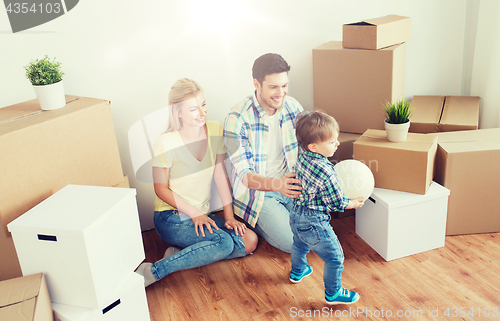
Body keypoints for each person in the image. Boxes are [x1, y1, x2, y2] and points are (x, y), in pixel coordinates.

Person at [136, 78, 258, 287]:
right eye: (193, 109)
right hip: (171, 217)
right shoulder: (166, 142)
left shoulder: (215, 129)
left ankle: (184, 253)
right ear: (178, 112)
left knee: (250, 241)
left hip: (204, 215)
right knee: (223, 242)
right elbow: (160, 189)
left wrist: (229, 217)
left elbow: (220, 175)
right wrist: (195, 214)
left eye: (203, 105)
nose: (202, 113)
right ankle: (154, 270)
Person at [223, 53, 304, 253]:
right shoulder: (236, 119)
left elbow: (307, 150)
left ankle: (275, 220)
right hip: (260, 194)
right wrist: (278, 185)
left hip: (291, 184)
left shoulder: (294, 107)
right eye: (273, 87)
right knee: (297, 244)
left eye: (284, 85)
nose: (281, 93)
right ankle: (254, 220)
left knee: (318, 230)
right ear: (257, 84)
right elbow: (245, 178)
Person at [289, 110, 364, 305]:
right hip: (314, 221)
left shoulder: (303, 157)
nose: (337, 144)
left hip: (296, 213)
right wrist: (354, 203)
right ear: (314, 146)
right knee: (335, 257)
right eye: (332, 142)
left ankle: (298, 271)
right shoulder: (327, 171)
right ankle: (333, 292)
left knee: (299, 244)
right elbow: (337, 202)